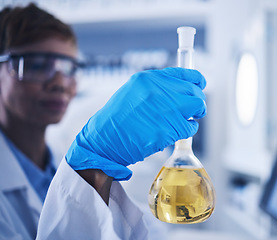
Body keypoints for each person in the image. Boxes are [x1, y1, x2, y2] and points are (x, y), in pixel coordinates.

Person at [0, 3, 207, 240]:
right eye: (37, 64)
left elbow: (146, 230)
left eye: (69, 67)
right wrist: (91, 170)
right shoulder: (81, 163)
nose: (60, 82)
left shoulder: (56, 162)